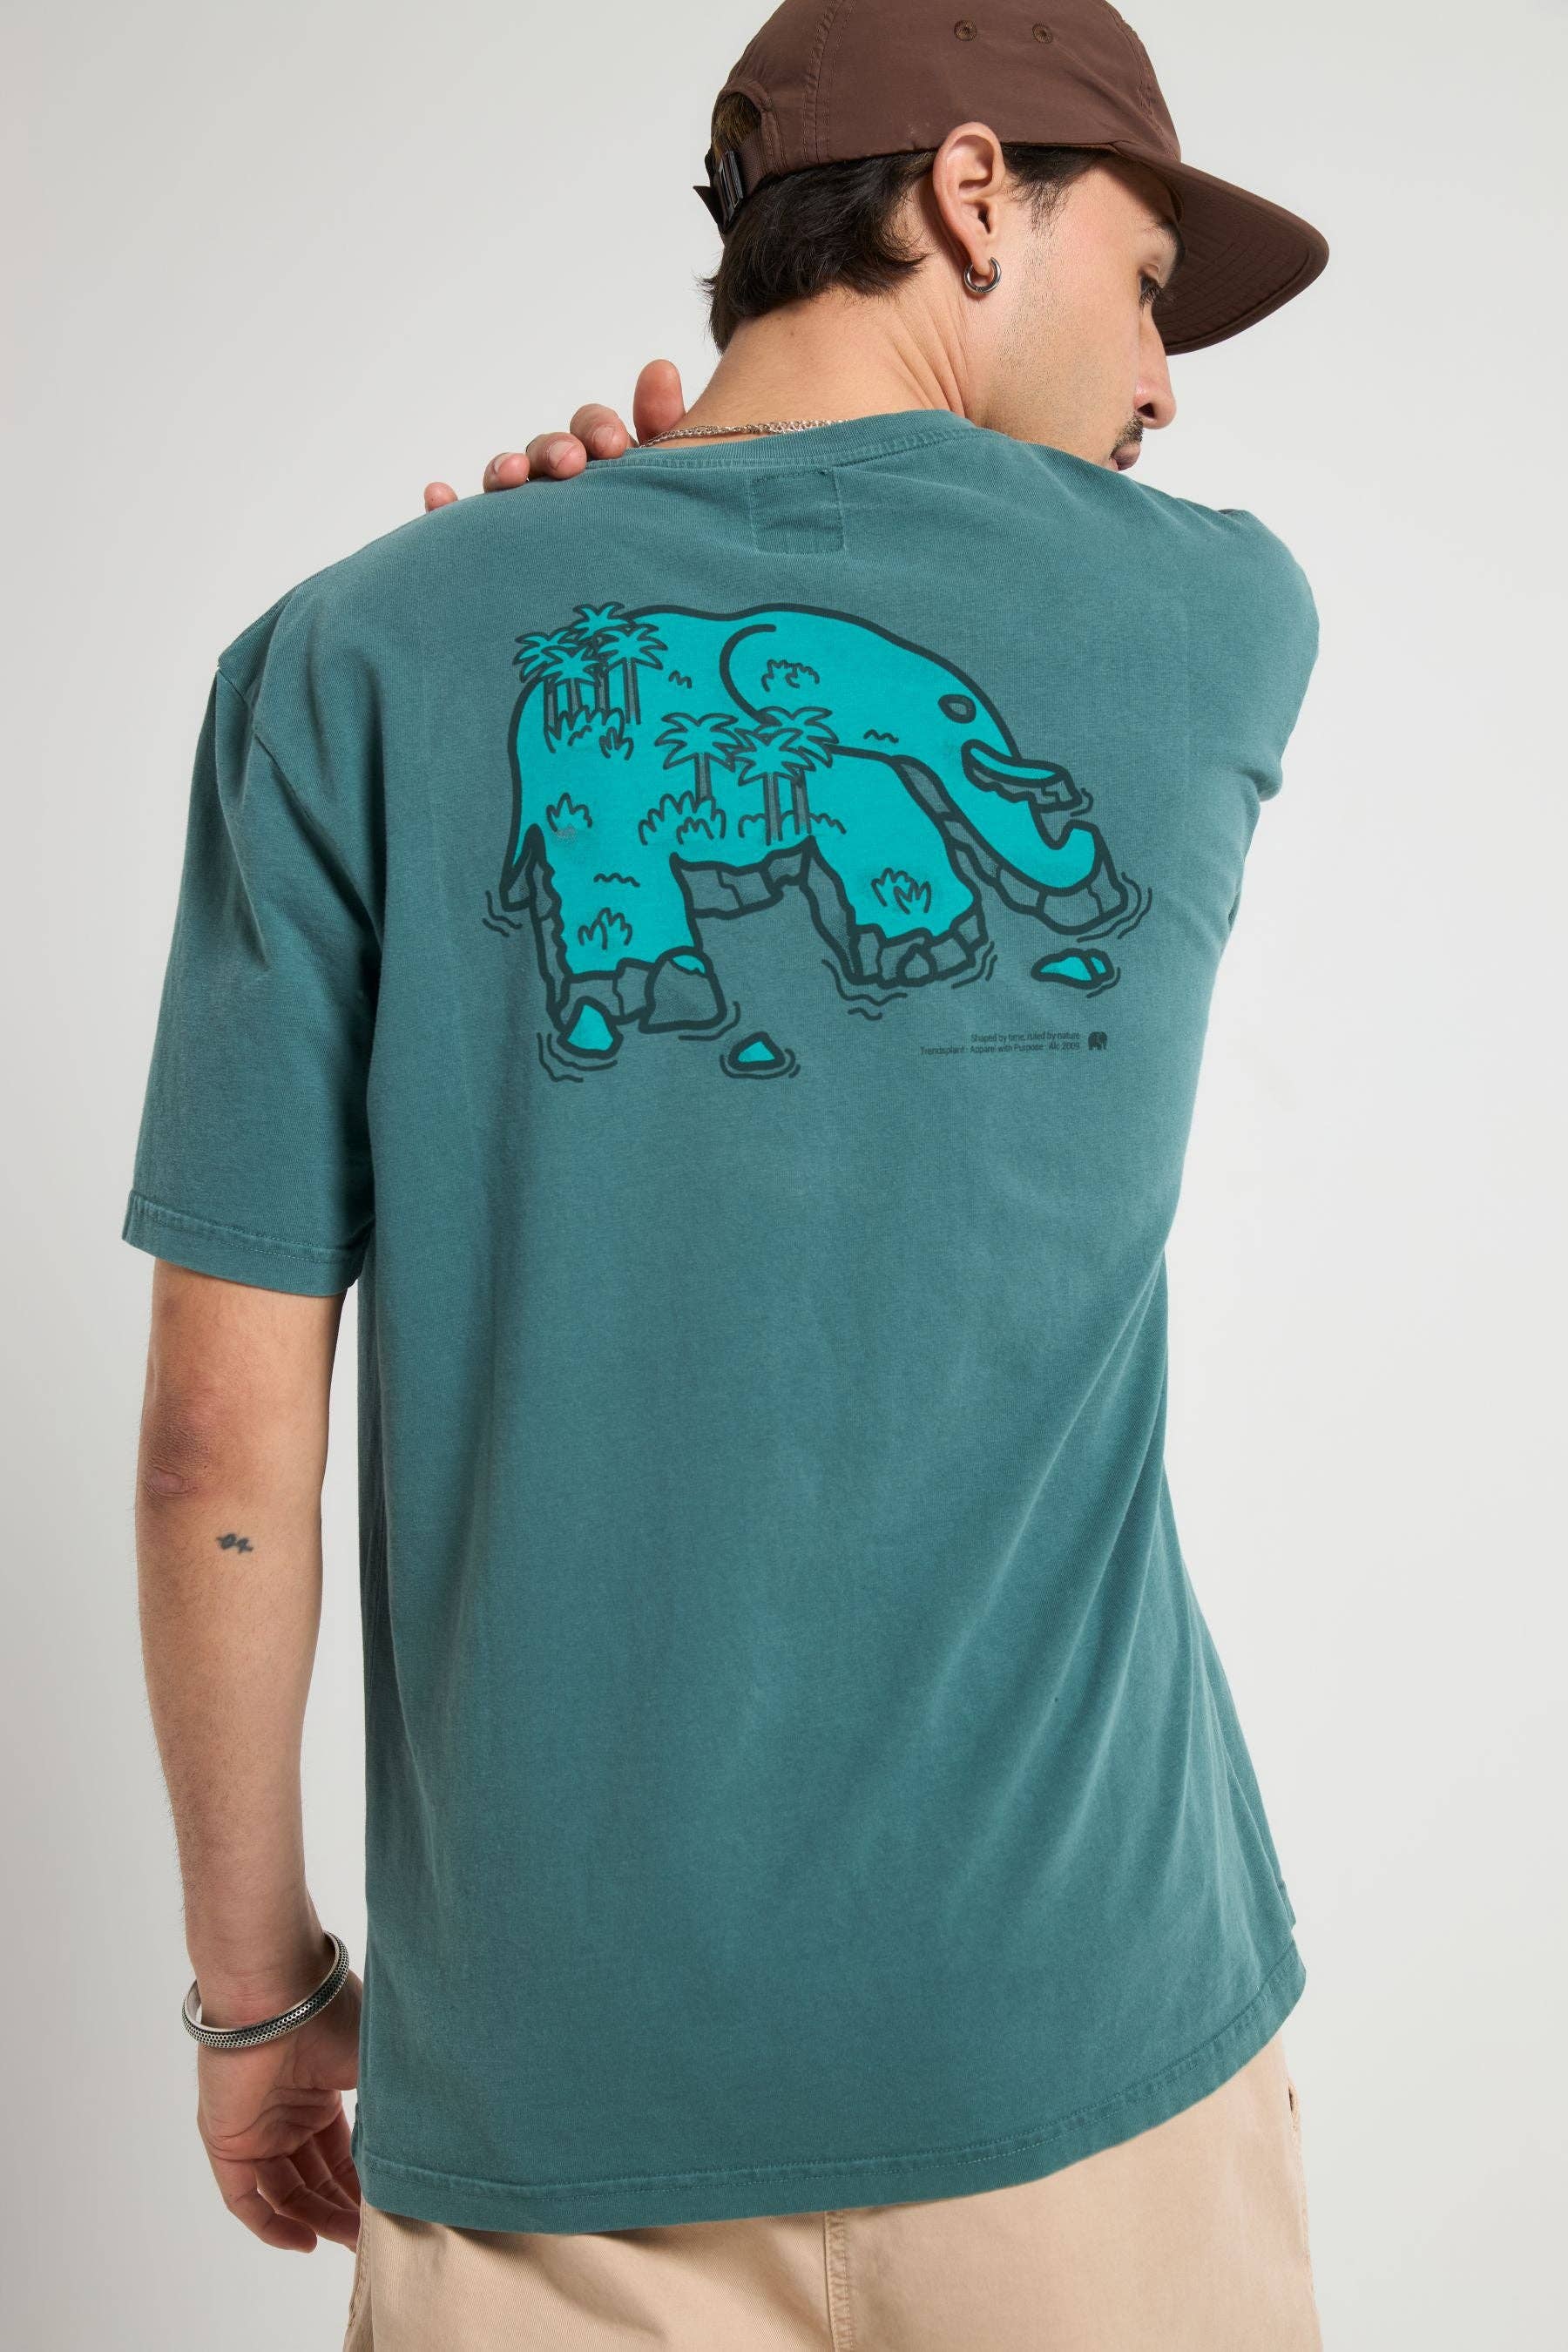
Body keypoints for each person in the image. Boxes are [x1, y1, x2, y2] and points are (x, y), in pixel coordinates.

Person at [123, 2, 1329, 2343]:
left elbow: (210, 1451)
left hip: (550, 2116)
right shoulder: (1218, 618)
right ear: (971, 197)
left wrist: (257, 2001)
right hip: (1083, 2047)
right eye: (1148, 284)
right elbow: (912, 687)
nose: (1164, 384)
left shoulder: (345, 662)